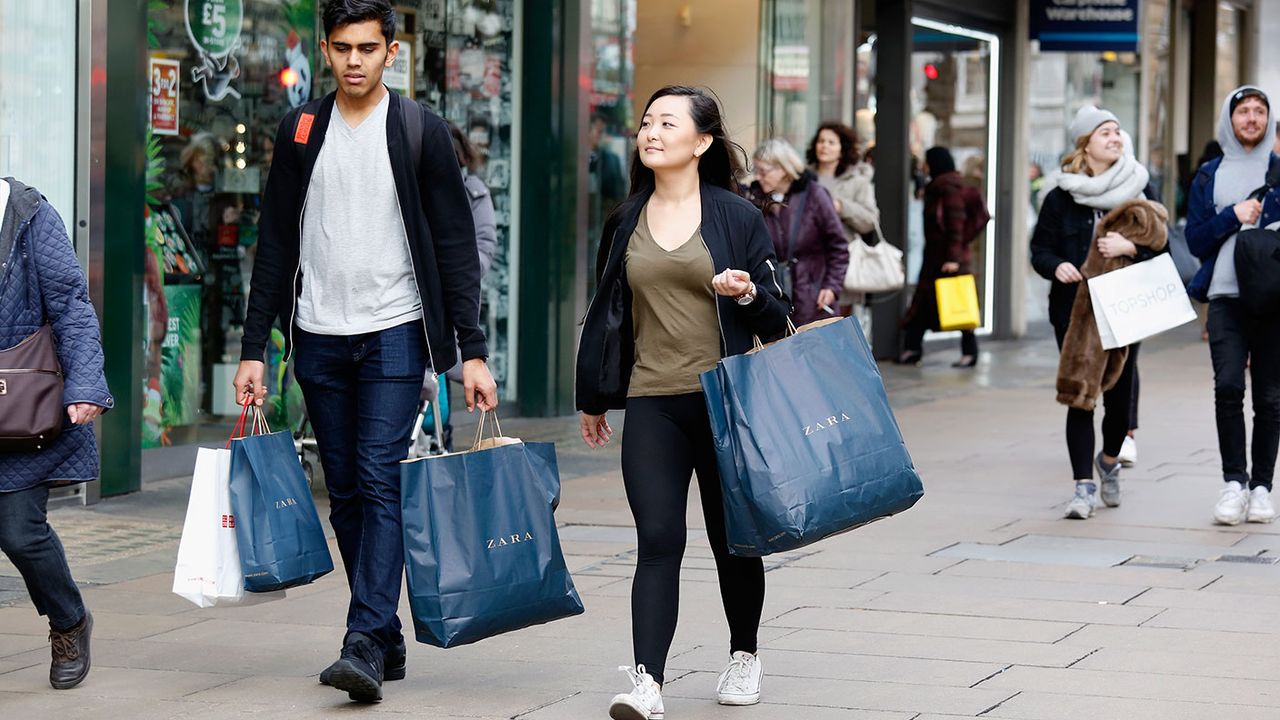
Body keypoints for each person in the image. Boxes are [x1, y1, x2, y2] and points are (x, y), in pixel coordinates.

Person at [234, 0, 498, 703]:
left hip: (393, 330)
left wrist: (469, 352)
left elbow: (454, 249)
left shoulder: (420, 132)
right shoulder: (300, 130)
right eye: (343, 48)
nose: (355, 61)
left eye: (369, 48)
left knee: (381, 481)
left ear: (391, 52)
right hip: (317, 335)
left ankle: (360, 640)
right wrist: (254, 345)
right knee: (345, 491)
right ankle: (383, 630)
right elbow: (275, 247)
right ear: (326, 50)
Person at [576, 85, 790, 719]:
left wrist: (747, 294)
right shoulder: (624, 220)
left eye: (667, 123)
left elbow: (780, 322)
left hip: (726, 404)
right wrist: (595, 397)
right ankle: (647, 682)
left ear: (701, 142)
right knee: (659, 539)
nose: (651, 132)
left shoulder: (737, 218)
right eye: (646, 122)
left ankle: (744, 654)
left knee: (733, 540)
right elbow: (608, 315)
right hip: (653, 402)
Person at [0, 177, 113, 690]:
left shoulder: (29, 215)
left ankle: (69, 621)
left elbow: (71, 304)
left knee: (19, 532)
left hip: (21, 409)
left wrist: (86, 384)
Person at [1030, 106, 1161, 519]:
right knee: (1079, 396)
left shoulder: (1140, 190)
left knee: (1120, 403)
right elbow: (1039, 250)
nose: (1115, 137)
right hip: (1074, 313)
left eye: (1117, 131)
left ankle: (1108, 460)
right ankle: (1082, 487)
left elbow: (1165, 246)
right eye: (1105, 132)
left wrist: (1132, 249)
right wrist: (1056, 266)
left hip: (1125, 308)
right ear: (1085, 144)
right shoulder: (1060, 197)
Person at [1185, 85, 1280, 526]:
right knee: (1227, 386)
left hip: (1273, 299)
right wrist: (1233, 215)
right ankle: (1234, 483)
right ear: (1230, 117)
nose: (1252, 118)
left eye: (1260, 111)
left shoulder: (1279, 170)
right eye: (1244, 111)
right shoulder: (1209, 174)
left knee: (1270, 397)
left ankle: (1262, 488)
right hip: (1224, 297)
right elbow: (1196, 240)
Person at [746, 137, 849, 326]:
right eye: (756, 171)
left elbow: (838, 246)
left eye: (763, 171)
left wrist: (831, 286)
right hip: (773, 296)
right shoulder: (754, 199)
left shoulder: (815, 195)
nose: (758, 177)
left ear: (783, 169)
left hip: (813, 296)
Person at [898, 147, 985, 368]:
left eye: (926, 162)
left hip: (948, 259)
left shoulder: (947, 189)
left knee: (958, 305)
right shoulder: (937, 188)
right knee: (923, 304)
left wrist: (953, 258)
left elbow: (956, 224)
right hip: (936, 257)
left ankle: (969, 352)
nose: (923, 167)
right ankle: (913, 349)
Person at [807, 121, 879, 241]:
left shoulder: (857, 181)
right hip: (807, 252)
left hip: (844, 253)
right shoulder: (804, 178)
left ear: (842, 149)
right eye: (821, 141)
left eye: (831, 143)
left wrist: (841, 207)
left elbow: (871, 221)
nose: (825, 146)